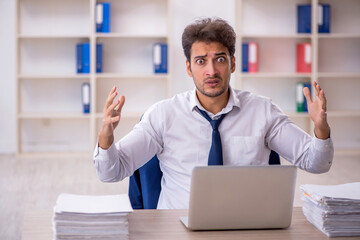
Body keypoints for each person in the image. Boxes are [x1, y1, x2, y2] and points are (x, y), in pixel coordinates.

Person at [94, 17, 333, 209]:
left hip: (246, 227)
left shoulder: (263, 111)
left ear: (233, 63)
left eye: (220, 59)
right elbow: (110, 172)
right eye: (200, 61)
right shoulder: (162, 115)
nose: (211, 71)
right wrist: (106, 136)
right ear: (188, 67)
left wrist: (320, 128)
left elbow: (317, 162)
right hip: (177, 227)